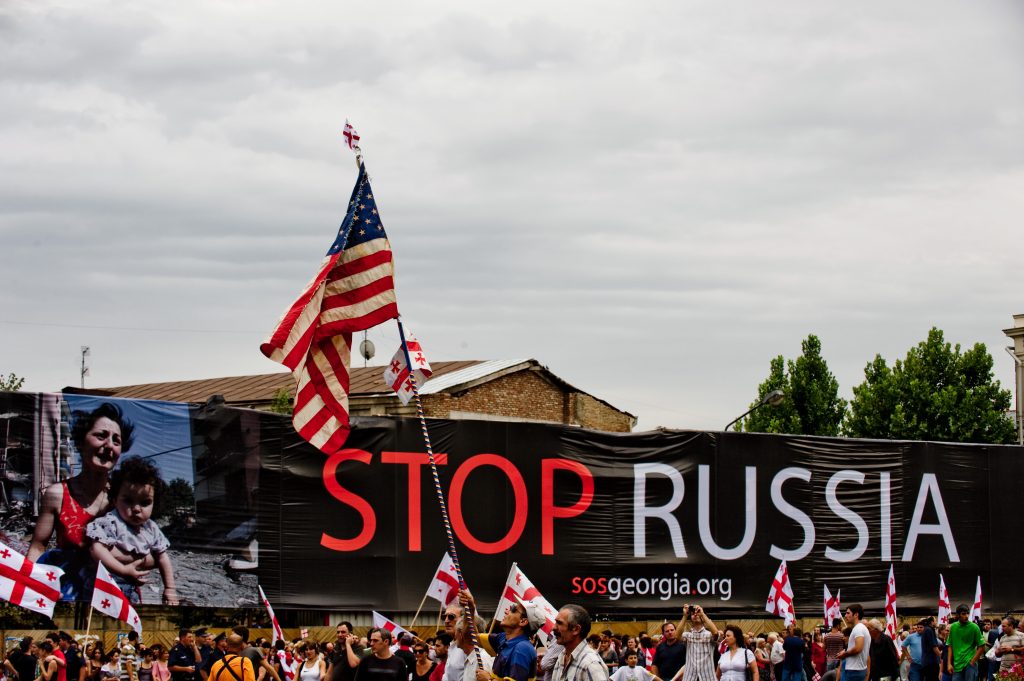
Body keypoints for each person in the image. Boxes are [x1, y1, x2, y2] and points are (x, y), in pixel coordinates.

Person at [28, 403, 135, 599]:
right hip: (68, 594)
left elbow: (144, 547)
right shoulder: (58, 494)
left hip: (112, 596)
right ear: (80, 443)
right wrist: (28, 586)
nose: (109, 445)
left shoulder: (124, 499)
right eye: (101, 436)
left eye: (116, 441)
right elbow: (37, 546)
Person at [86, 456, 177, 604]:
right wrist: (122, 570)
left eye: (145, 502)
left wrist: (170, 588)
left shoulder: (151, 528)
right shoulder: (111, 522)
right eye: (128, 501)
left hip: (132, 588)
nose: (136, 508)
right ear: (115, 500)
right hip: (104, 585)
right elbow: (97, 550)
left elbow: (162, 557)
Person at [550, 604, 609, 681]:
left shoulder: (590, 663)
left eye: (560, 623)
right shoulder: (562, 657)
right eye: (556, 622)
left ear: (576, 629)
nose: (553, 627)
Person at [670, 606, 718, 681]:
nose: (695, 614)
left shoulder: (709, 635)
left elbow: (715, 633)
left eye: (697, 613)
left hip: (707, 677)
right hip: (690, 677)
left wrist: (702, 614)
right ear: (691, 618)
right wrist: (685, 616)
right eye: (692, 614)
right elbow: (676, 636)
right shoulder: (687, 635)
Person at [946, 606, 985, 681]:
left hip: (969, 664)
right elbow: (950, 645)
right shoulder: (953, 627)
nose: (966, 616)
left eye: (967, 613)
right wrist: (949, 664)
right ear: (958, 615)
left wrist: (973, 661)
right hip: (957, 664)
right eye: (963, 614)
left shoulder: (974, 627)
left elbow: (982, 646)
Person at [837, 605, 870, 681]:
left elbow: (858, 648)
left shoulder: (858, 628)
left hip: (854, 670)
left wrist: (844, 654)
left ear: (856, 615)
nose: (845, 616)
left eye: (848, 613)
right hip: (857, 669)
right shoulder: (860, 628)